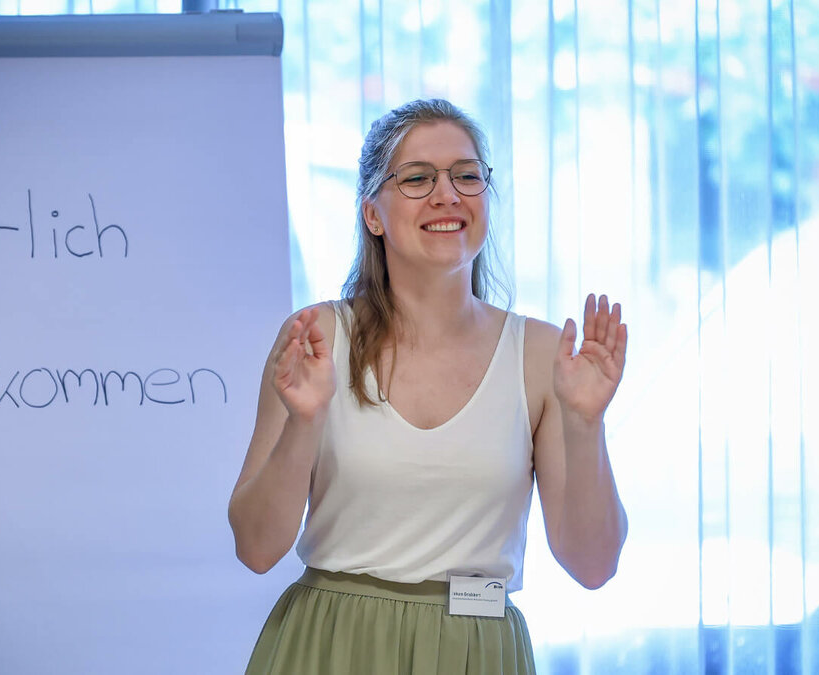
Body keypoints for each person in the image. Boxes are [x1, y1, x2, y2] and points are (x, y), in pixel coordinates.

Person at [228, 98, 628, 674]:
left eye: (467, 175)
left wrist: (586, 424)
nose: (448, 194)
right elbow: (256, 548)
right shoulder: (315, 338)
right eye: (418, 178)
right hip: (331, 647)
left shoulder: (542, 355)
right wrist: (304, 421)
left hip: (478, 651)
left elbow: (593, 566)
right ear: (372, 213)